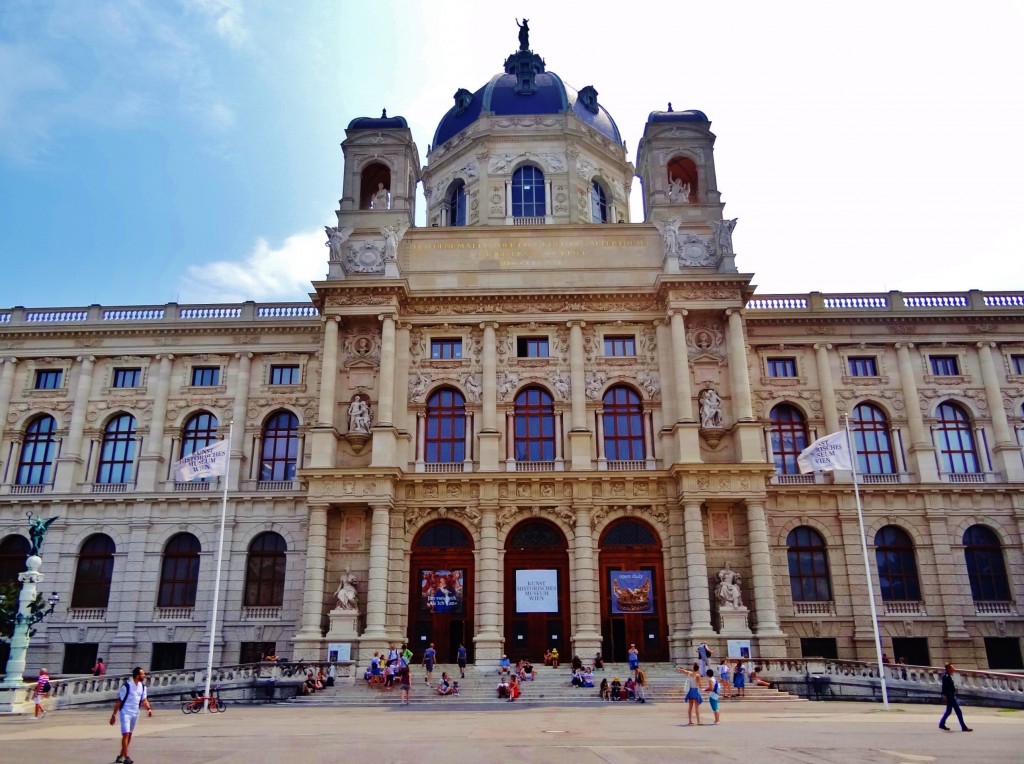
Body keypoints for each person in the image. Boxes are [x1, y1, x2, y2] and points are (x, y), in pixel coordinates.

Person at [110, 666, 153, 764]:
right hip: (125, 712)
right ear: (137, 676)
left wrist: (149, 709)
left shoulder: (142, 687)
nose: (144, 675)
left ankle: (121, 755)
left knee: (129, 735)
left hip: (135, 712)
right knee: (125, 734)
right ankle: (126, 758)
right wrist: (113, 715)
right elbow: (119, 702)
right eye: (142, 674)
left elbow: (144, 700)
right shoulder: (127, 686)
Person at [939, 664, 973, 732]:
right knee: (958, 711)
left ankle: (941, 724)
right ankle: (963, 727)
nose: (953, 669)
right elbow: (944, 687)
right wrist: (945, 696)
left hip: (951, 695)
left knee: (948, 711)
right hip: (950, 696)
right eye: (952, 668)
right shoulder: (946, 677)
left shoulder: (948, 676)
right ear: (948, 669)